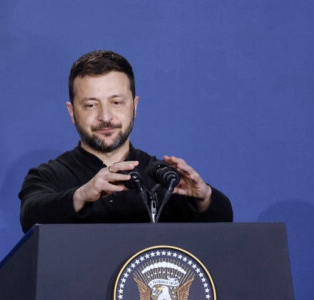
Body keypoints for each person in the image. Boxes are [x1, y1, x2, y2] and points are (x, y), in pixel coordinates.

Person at [19, 50, 232, 232]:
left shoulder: (164, 179)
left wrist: (205, 198)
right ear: (72, 112)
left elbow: (221, 226)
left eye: (117, 102)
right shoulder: (49, 176)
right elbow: (31, 217)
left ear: (135, 106)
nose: (105, 117)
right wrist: (82, 195)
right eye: (91, 105)